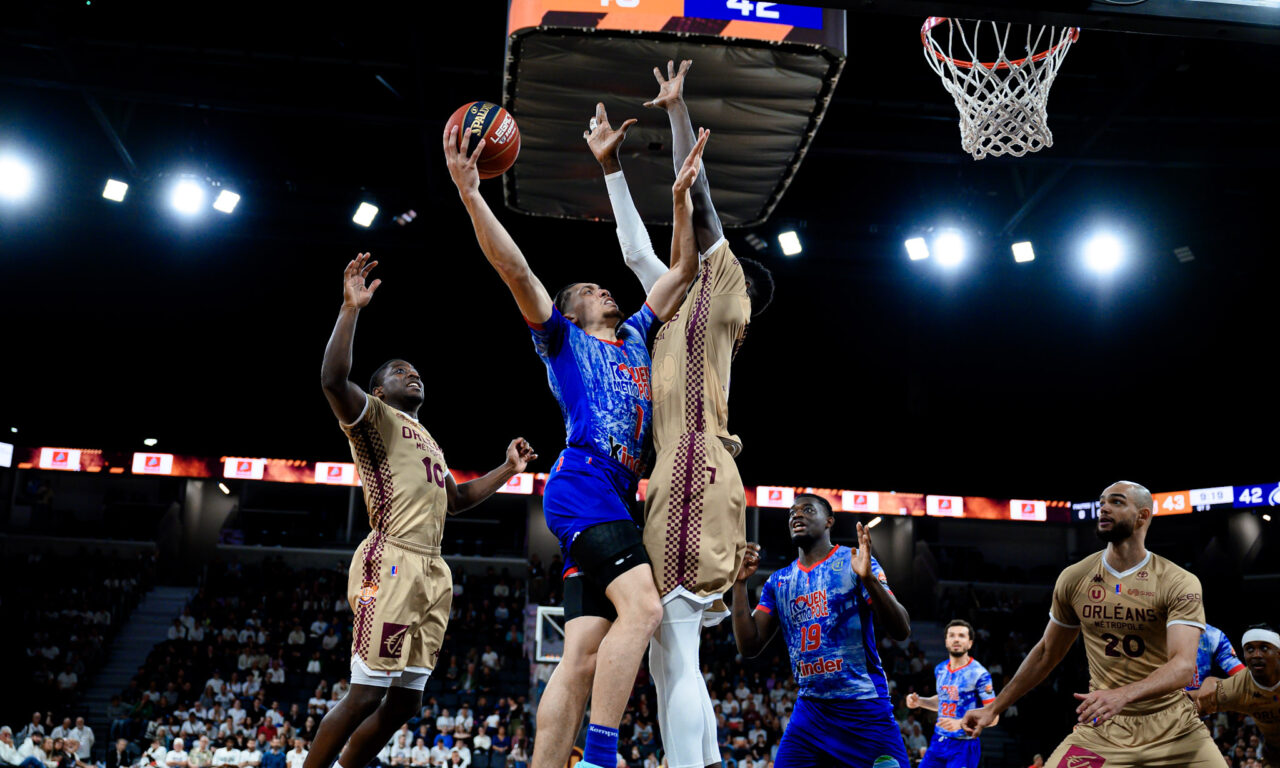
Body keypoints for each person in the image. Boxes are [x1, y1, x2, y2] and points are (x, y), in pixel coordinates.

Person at [444, 112, 705, 768]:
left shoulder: (641, 332)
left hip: (613, 495)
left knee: (585, 646)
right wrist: (473, 194)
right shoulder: (562, 339)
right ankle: (598, 756)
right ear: (573, 306)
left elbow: (684, 267)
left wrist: (679, 200)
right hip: (584, 483)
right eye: (589, 288)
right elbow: (515, 270)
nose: (602, 287)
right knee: (642, 610)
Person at [583, 57, 776, 768]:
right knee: (667, 649)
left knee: (681, 638)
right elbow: (637, 246)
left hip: (699, 462)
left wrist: (675, 112)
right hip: (673, 476)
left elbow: (702, 205)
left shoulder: (725, 292)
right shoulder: (669, 305)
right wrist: (610, 168)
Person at [310, 253, 536, 768]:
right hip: (390, 557)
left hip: (432, 568)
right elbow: (330, 379)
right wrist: (351, 309)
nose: (411, 374)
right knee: (366, 693)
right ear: (378, 390)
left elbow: (455, 501)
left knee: (407, 701)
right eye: (398, 371)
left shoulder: (428, 439)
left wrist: (506, 469)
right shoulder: (373, 419)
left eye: (415, 371)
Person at [961, 481, 1221, 766]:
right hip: (1105, 727)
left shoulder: (1178, 581)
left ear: (1143, 516)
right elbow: (1047, 652)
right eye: (1102, 502)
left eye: (1117, 502)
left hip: (1175, 727)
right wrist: (993, 708)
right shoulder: (1075, 577)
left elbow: (1183, 666)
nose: (1104, 508)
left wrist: (1122, 695)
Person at [731, 494, 912, 767]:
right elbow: (749, 645)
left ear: (829, 521)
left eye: (807, 509)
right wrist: (739, 585)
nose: (796, 515)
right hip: (811, 712)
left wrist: (869, 580)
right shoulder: (778, 582)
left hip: (862, 708)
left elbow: (902, 629)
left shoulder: (855, 562)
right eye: (792, 512)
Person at [906, 620, 997, 768]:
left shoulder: (979, 674)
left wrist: (962, 723)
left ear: (970, 643)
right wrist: (920, 702)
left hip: (964, 745)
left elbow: (994, 717)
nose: (956, 639)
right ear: (946, 641)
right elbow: (943, 700)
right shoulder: (940, 669)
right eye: (952, 635)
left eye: (961, 636)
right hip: (939, 741)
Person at [1189, 625, 1280, 766]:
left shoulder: (1213, 636)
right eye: (1250, 649)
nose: (1256, 654)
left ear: (1278, 653)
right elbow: (1196, 700)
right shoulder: (1238, 688)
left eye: (1264, 648)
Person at [1189, 622, 1246, 690]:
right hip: (1184, 697)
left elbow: (1244, 679)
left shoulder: (1213, 635)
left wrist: (1219, 685)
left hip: (1196, 699)